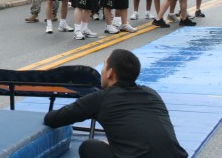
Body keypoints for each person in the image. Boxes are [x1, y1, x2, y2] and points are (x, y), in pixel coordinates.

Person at [44, 49, 188, 158]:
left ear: (110, 73)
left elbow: (53, 119)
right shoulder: (151, 94)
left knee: (89, 146)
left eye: (104, 65)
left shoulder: (101, 98)